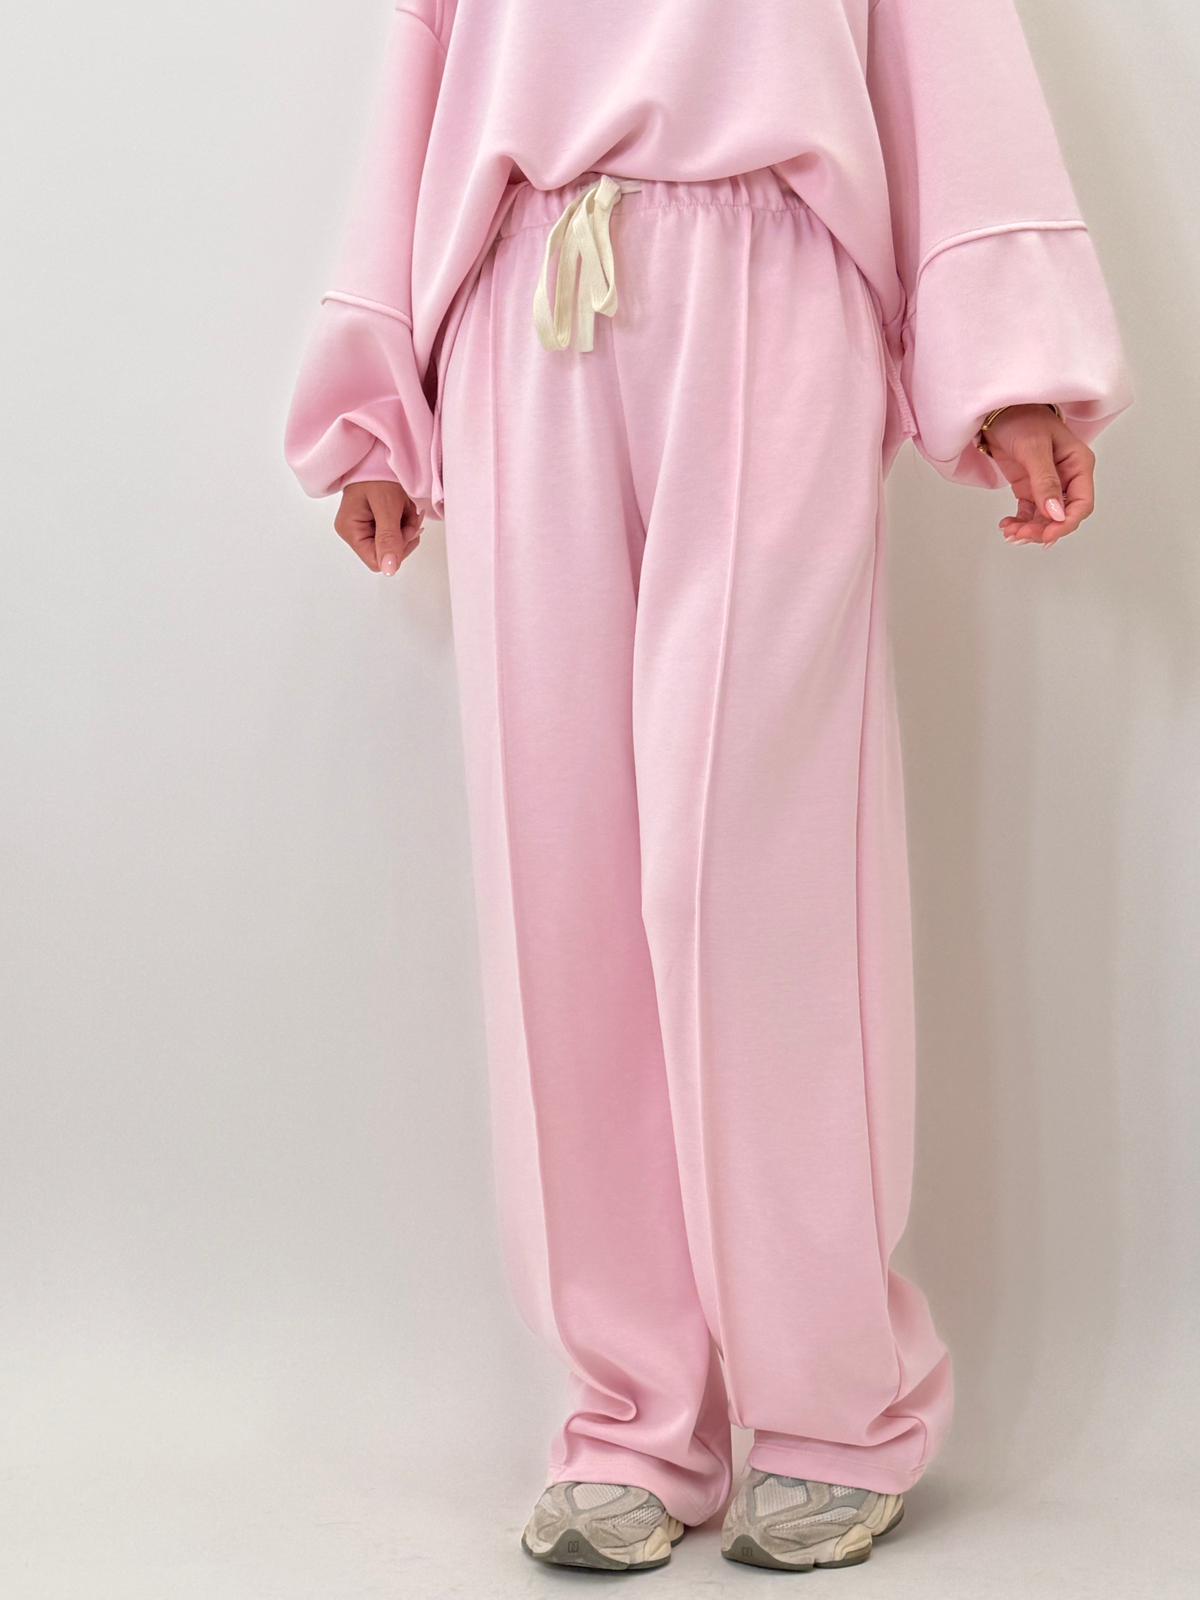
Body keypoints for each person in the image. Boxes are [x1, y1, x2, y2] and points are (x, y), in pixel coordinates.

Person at [284, 0, 1131, 1575]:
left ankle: (829, 1409)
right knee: (564, 873)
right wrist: (376, 393)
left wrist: (1010, 363)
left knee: (757, 867)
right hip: (525, 292)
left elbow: (942, 46)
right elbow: (429, 52)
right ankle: (634, 1415)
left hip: (774, 274)